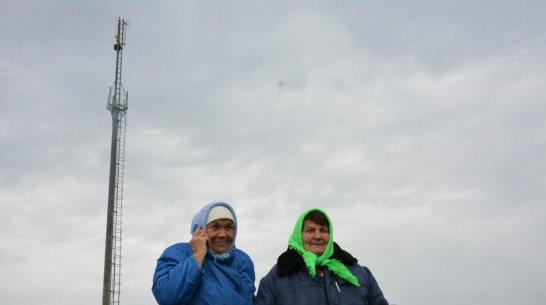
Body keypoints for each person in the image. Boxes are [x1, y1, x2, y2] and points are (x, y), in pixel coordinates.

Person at [255, 208, 388, 305]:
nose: (318, 236)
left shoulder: (361, 274)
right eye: (310, 230)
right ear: (299, 236)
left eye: (323, 230)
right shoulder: (275, 279)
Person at [152, 201, 255, 305]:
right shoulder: (178, 253)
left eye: (228, 227)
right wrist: (197, 255)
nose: (223, 234)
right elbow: (167, 298)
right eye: (215, 227)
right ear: (200, 229)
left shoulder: (243, 260)